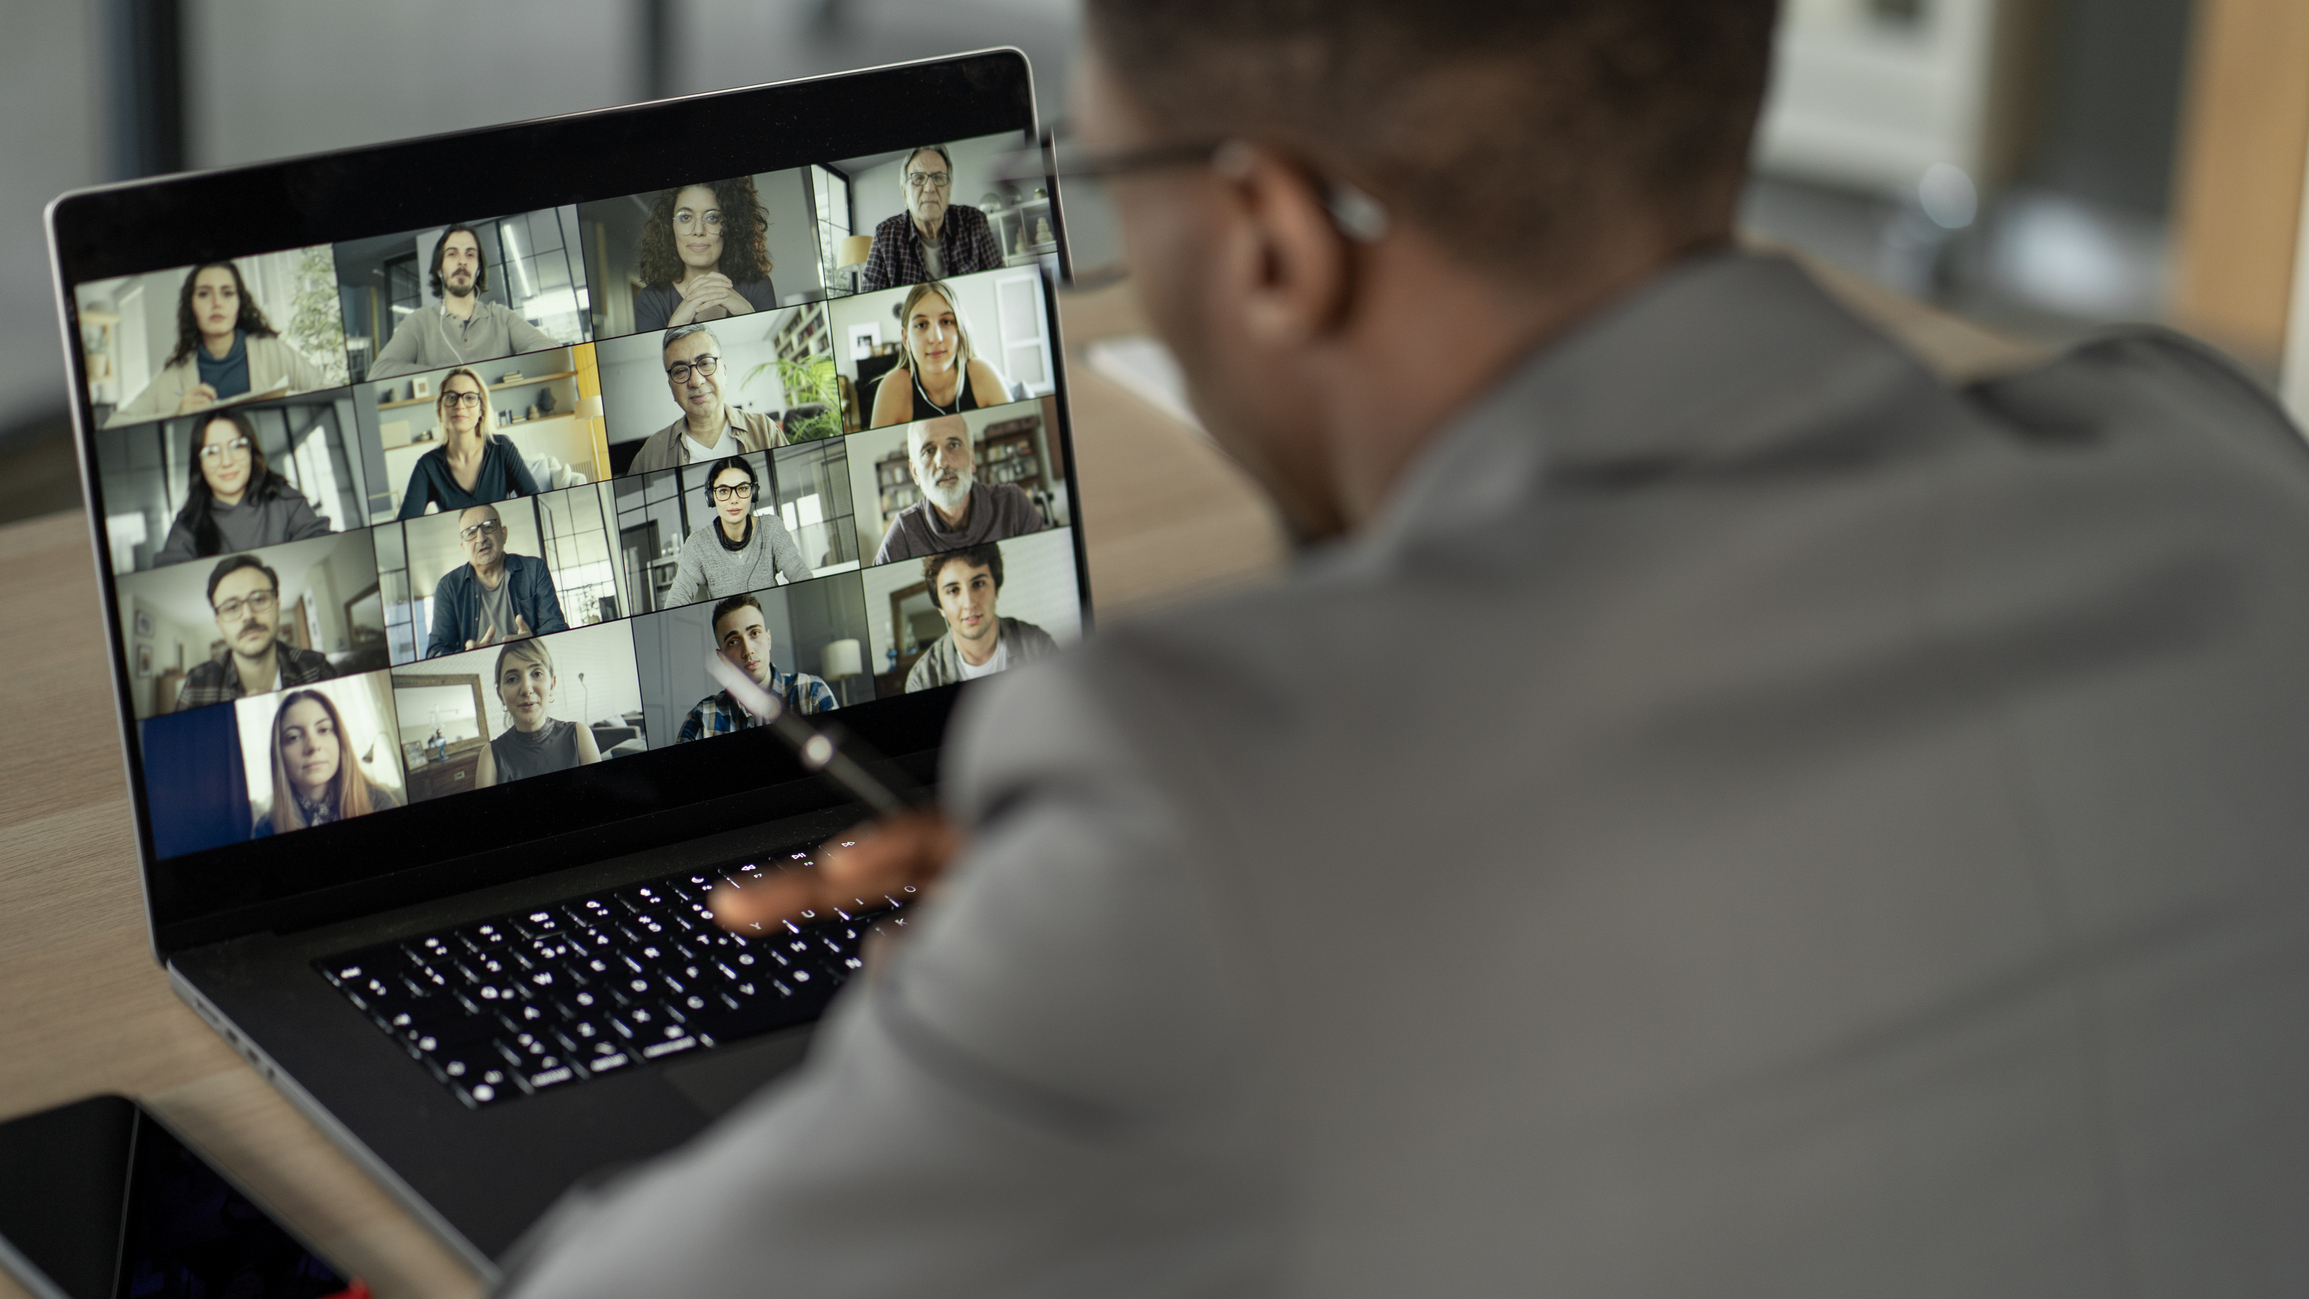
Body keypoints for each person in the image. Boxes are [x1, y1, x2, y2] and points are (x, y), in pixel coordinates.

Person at [505, 2, 2309, 1296]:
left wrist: (1046, 984)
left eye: (1121, 184)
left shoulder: (1199, 809)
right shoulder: (2215, 467)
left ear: (1278, 238)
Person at [108, 261, 331, 425]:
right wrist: (176, 416)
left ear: (238, 303)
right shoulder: (174, 374)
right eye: (204, 294)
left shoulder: (270, 350)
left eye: (227, 293)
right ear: (191, 306)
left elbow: (327, 392)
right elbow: (113, 424)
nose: (216, 303)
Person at [368, 225, 561, 378]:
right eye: (452, 254)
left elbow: (550, 348)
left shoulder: (503, 317)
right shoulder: (419, 322)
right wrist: (453, 374)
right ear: (440, 270)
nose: (462, 261)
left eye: (470, 254)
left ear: (478, 270)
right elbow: (380, 371)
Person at [151, 412, 331, 566]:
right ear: (200, 464)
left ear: (250, 451)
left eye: (237, 446)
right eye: (212, 451)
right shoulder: (187, 525)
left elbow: (321, 544)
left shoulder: (284, 499)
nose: (227, 462)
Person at [872, 414, 1045, 563]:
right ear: (915, 472)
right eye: (928, 451)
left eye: (953, 445)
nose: (942, 462)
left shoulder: (1012, 503)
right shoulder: (902, 534)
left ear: (972, 459)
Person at [173, 555, 339, 710]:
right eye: (231, 607)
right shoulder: (197, 685)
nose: (248, 615)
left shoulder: (316, 667)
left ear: (277, 607)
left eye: (259, 599)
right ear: (220, 625)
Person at [677, 593, 838, 742]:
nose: (748, 651)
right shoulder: (701, 718)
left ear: (768, 639)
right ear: (722, 658)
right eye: (733, 641)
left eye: (754, 633)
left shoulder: (812, 692)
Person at [625, 325, 786, 473]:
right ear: (671, 387)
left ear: (724, 372)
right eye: (680, 371)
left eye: (705, 363)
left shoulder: (764, 430)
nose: (696, 381)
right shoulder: (650, 456)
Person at [903, 542, 1057, 691]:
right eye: (953, 591)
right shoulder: (922, 680)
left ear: (996, 589)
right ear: (939, 606)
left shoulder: (1038, 644)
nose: (969, 604)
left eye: (978, 584)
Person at [632, 180, 778, 332]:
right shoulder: (650, 299)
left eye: (712, 217)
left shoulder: (758, 286)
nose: (699, 230)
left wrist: (748, 315)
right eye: (685, 217)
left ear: (730, 225)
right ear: (670, 227)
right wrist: (676, 325)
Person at [662, 456, 809, 606]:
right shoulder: (697, 544)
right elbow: (678, 596)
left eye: (743, 488)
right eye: (724, 491)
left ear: (754, 492)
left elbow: (799, 573)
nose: (734, 499)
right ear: (711, 497)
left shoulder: (771, 528)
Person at [425, 505, 569, 658]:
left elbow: (556, 627)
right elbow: (436, 652)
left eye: (488, 526)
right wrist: (466, 657)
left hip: (530, 661)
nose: (481, 538)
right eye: (470, 533)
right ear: (463, 546)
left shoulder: (534, 569)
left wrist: (533, 642)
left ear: (503, 534)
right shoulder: (448, 587)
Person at [396, 367, 541, 519]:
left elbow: (536, 501)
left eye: (470, 397)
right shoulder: (427, 466)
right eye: (451, 397)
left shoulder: (502, 448)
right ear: (440, 411)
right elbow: (403, 525)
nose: (460, 405)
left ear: (481, 410)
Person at [866, 280, 1012, 429]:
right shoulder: (893, 387)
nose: (935, 338)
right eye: (921, 325)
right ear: (905, 338)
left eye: (946, 322)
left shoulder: (983, 374)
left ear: (959, 331)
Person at [859, 145, 1007, 292]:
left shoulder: (975, 221)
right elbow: (869, 300)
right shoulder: (885, 235)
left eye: (938, 177)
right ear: (905, 193)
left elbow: (1000, 285)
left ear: (948, 192)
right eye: (918, 178)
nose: (929, 188)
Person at [252, 689, 398, 835]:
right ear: (279, 754)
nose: (313, 746)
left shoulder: (378, 803)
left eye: (323, 729)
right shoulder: (266, 828)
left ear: (340, 740)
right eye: (293, 737)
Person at [485, 637, 602, 782]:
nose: (527, 689)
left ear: (552, 684)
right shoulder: (490, 755)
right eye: (512, 679)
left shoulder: (579, 735)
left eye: (537, 674)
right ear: (500, 694)